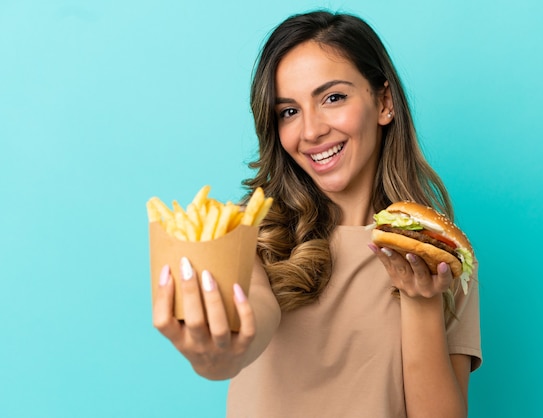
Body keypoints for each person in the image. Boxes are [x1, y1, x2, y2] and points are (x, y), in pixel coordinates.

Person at [153, 10, 481, 418]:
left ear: (384, 102)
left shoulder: (441, 255)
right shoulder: (251, 231)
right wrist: (218, 355)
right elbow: (254, 316)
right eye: (288, 111)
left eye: (332, 98)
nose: (310, 132)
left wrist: (421, 301)